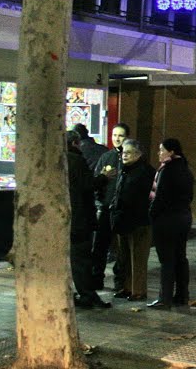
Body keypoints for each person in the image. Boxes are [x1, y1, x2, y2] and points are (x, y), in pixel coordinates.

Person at [148, 138, 194, 309]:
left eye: (162, 150)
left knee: (166, 259)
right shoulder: (186, 170)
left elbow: (159, 198)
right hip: (183, 218)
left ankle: (164, 298)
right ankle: (182, 295)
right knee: (180, 257)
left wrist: (151, 215)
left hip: (166, 220)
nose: (159, 153)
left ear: (172, 151)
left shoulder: (166, 171)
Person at [66, 131, 109, 309]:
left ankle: (84, 293)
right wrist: (104, 178)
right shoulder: (75, 159)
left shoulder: (59, 160)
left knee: (77, 258)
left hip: (68, 218)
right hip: (80, 219)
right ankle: (87, 294)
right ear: (77, 143)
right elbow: (88, 185)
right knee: (82, 258)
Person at [110, 139, 155, 302]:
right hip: (124, 220)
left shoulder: (145, 172)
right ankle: (128, 287)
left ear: (138, 154)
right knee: (125, 258)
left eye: (128, 153)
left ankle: (139, 291)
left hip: (139, 221)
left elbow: (145, 198)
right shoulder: (126, 170)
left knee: (138, 258)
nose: (124, 155)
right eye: (123, 152)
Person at [92, 123, 129, 292]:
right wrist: (100, 203)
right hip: (106, 208)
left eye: (120, 135)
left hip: (122, 210)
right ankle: (96, 278)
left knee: (122, 248)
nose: (117, 138)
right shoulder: (106, 157)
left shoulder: (130, 158)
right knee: (100, 246)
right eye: (114, 135)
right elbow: (97, 180)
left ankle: (120, 281)